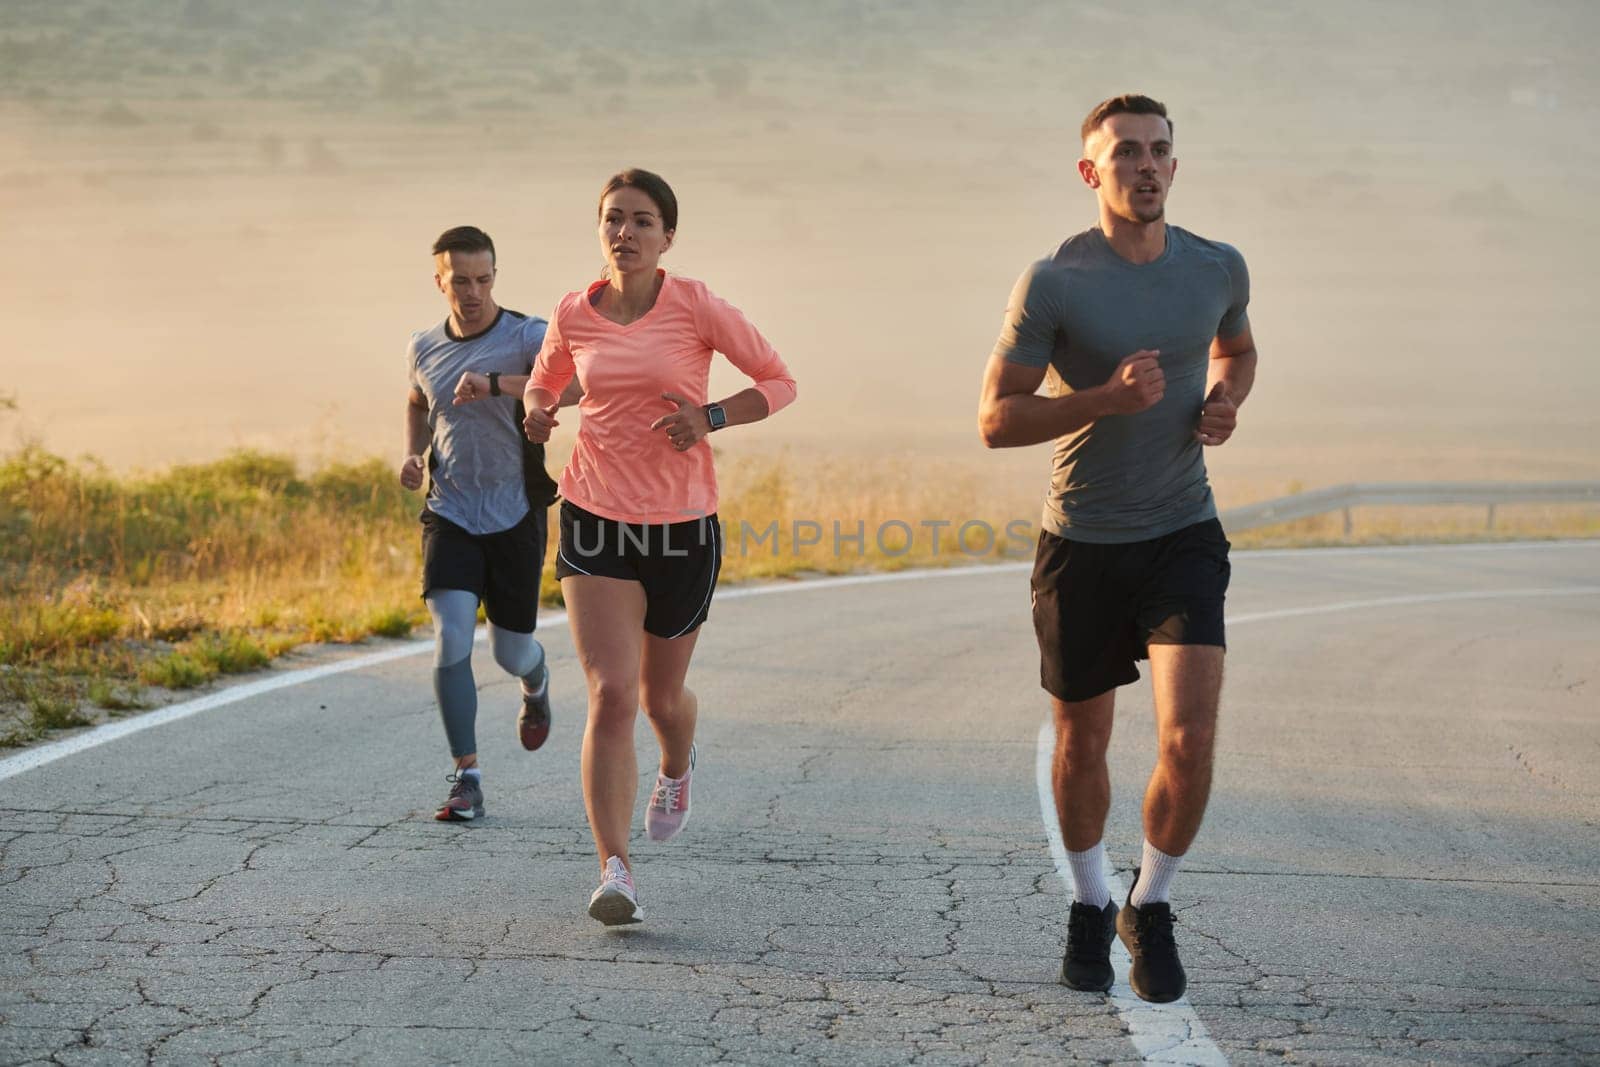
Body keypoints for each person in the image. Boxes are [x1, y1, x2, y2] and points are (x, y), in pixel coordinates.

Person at [977, 95, 1257, 1003]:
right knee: (1081, 742)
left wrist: (1225, 399)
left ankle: (1152, 902)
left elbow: (1239, 348)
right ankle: (1092, 903)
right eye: (1126, 152)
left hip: (1183, 530)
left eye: (1160, 152)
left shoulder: (1218, 265)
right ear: (1091, 171)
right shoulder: (1054, 280)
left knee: (1191, 734)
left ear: (1176, 167)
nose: (1146, 166)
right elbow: (995, 419)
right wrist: (1100, 398)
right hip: (1083, 541)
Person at [522, 169, 796, 925]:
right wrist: (540, 412)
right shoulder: (575, 310)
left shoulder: (696, 304)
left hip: (680, 525)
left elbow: (778, 382)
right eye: (614, 219)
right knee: (611, 693)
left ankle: (677, 763)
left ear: (667, 236)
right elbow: (544, 383)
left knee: (659, 699)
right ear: (600, 229)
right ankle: (616, 870)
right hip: (594, 514)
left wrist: (709, 417)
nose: (626, 233)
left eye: (643, 221)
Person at [401, 225, 577, 822]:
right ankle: (466, 777)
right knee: (450, 636)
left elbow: (576, 385)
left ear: (495, 276)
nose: (472, 292)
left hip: (513, 515)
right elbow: (418, 401)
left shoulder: (528, 336)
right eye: (459, 281)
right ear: (439, 281)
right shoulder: (423, 345)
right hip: (450, 511)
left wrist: (498, 385)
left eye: (482, 279)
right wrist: (412, 452)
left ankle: (536, 683)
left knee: (509, 651)